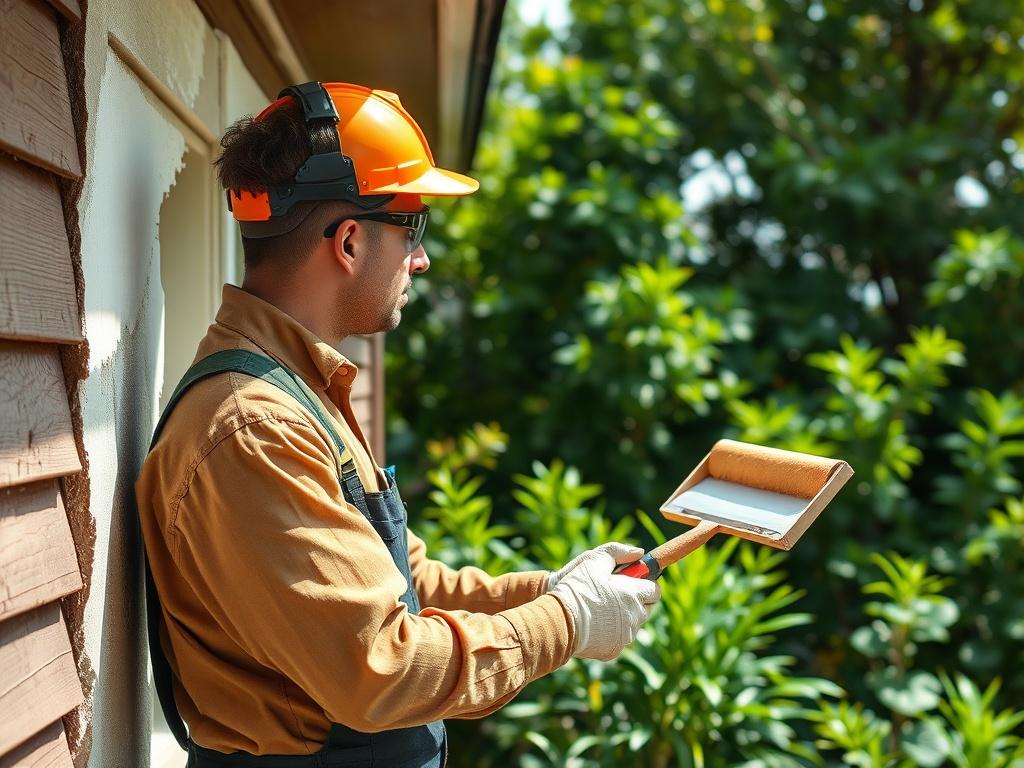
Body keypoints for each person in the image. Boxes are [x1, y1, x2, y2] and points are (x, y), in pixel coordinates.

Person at [136, 82, 661, 768]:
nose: (422, 259)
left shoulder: (301, 393)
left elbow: (402, 581)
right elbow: (381, 668)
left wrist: (554, 588)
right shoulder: (253, 428)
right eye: (413, 229)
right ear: (350, 242)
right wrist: (567, 622)